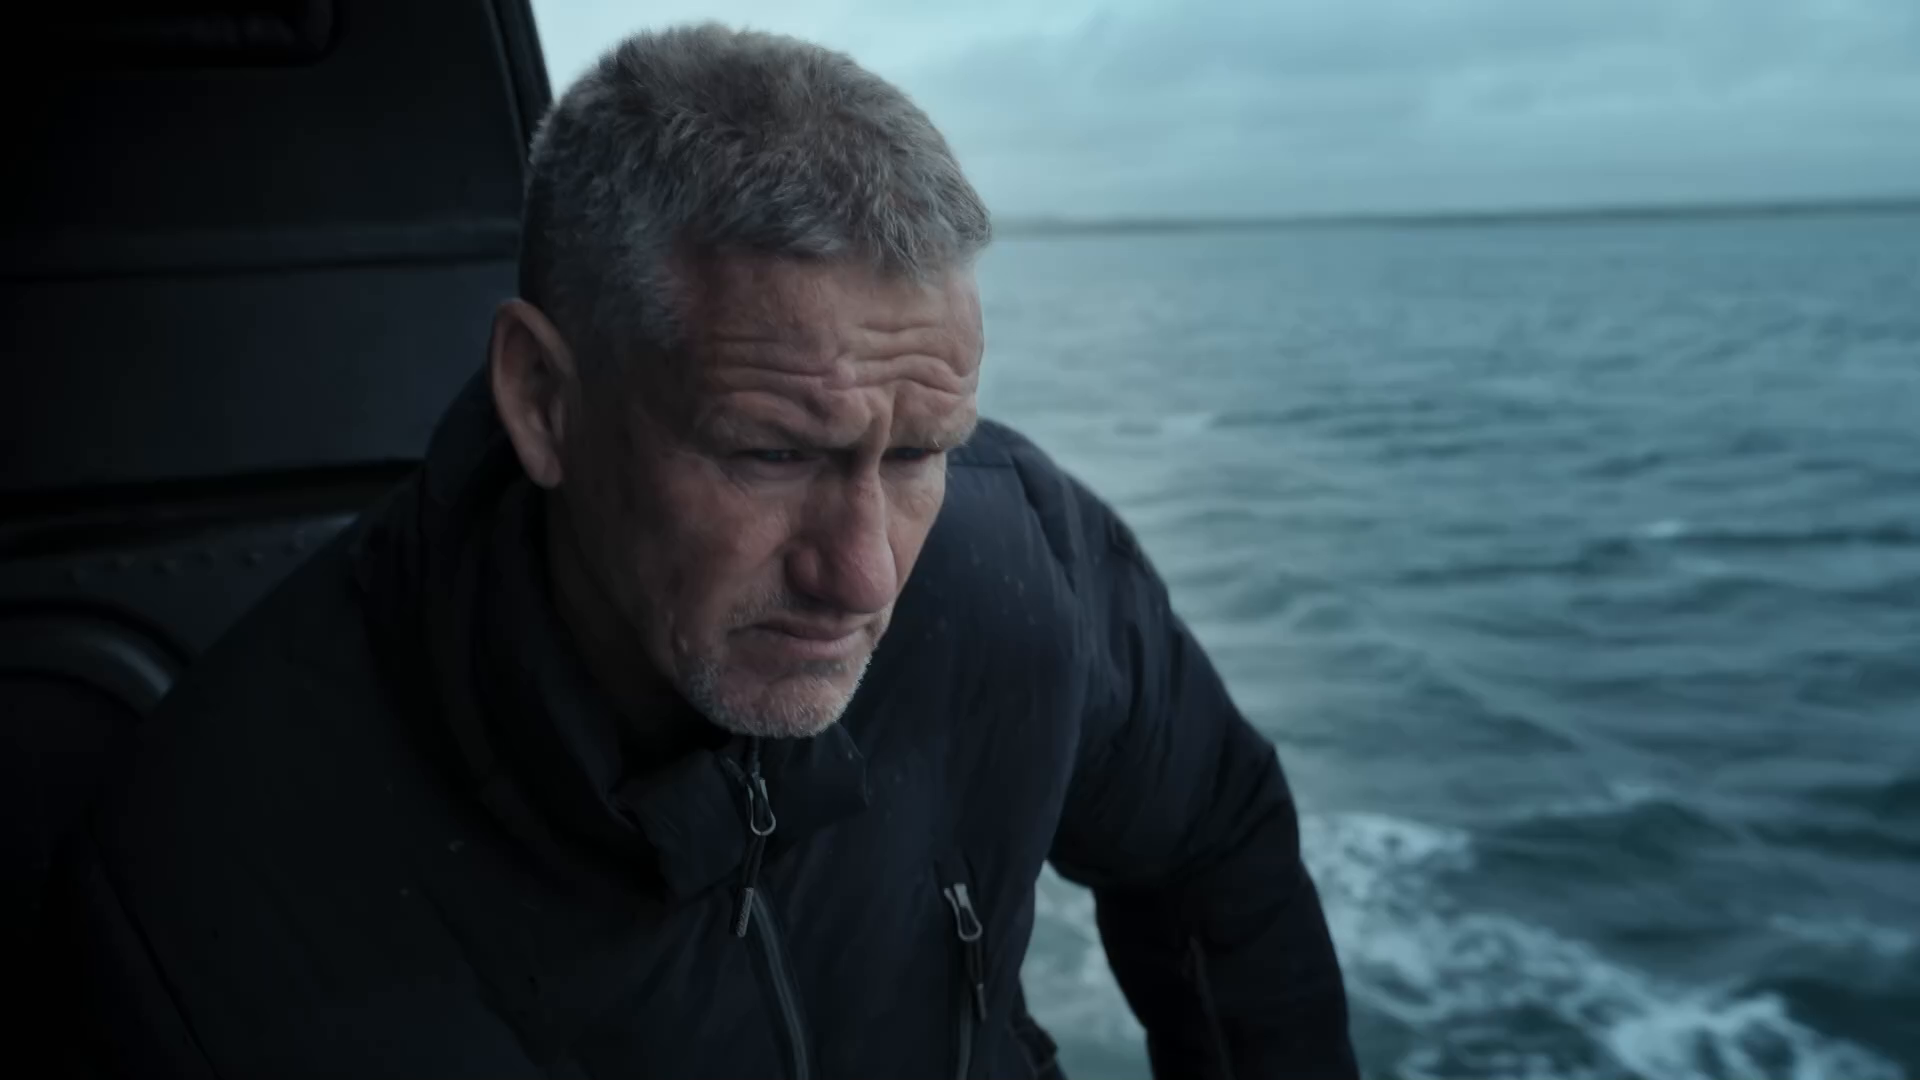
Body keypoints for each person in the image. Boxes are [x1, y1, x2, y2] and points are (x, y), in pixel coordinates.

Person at [47, 24, 1355, 1079]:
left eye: (917, 452)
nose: (866, 578)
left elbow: (1214, 834)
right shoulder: (213, 892)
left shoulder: (1008, 558)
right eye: (771, 453)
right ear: (545, 402)